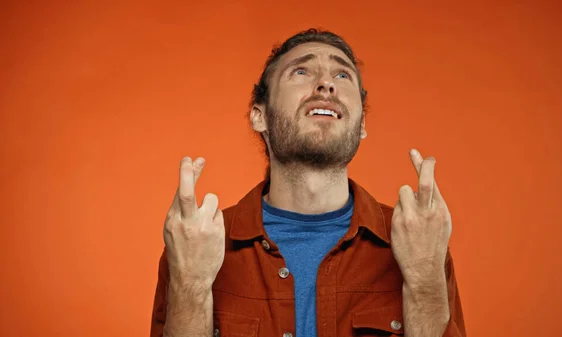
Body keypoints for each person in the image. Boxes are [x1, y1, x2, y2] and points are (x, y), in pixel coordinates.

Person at [150, 28, 466, 337]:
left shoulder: (421, 240)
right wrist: (190, 286)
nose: (326, 84)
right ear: (260, 115)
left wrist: (425, 279)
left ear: (362, 124)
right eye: (301, 71)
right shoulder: (194, 243)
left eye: (343, 75)